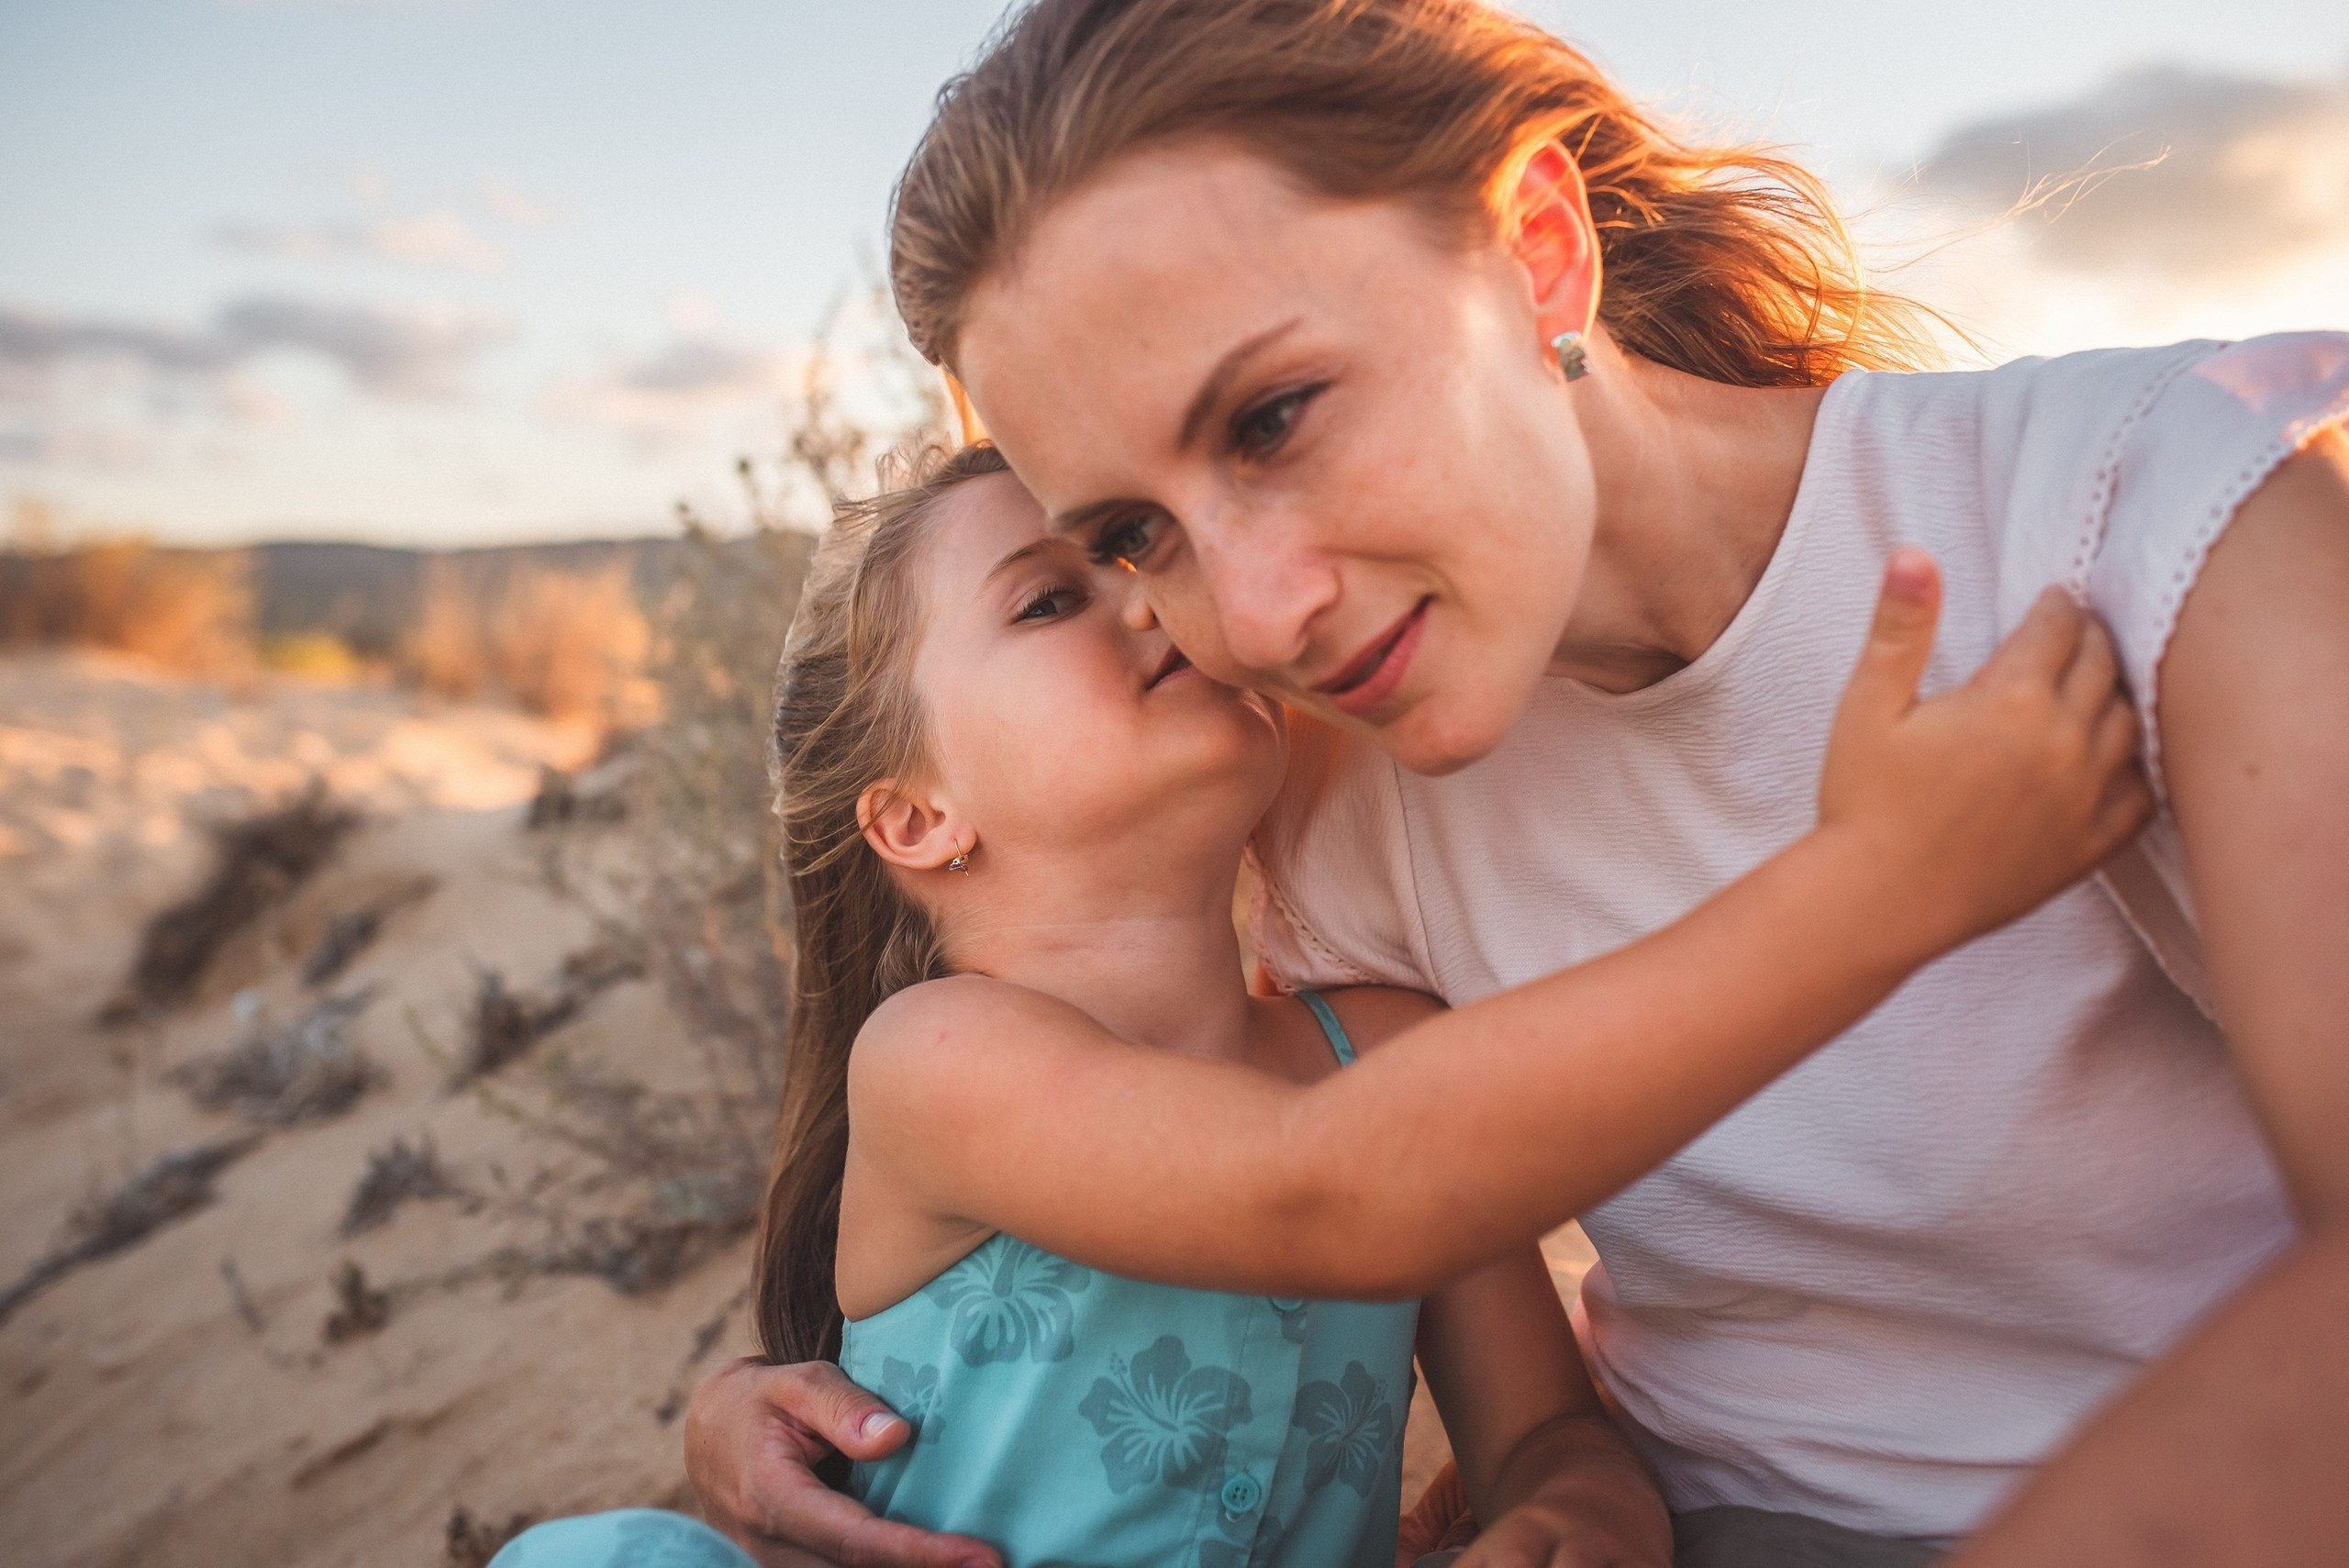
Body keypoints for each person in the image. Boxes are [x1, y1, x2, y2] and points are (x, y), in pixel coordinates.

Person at [689, 2, 2349, 1565]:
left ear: (1541, 255)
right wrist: (755, 1405)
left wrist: (1559, 1468)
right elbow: (1270, 1149)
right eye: (1128, 538)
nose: (1246, 617)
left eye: (1274, 418)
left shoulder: (2129, 522)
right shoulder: (1324, 783)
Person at [498, 438, 2136, 1568]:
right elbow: (1323, 1187)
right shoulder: (943, 1060)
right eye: (1050, 596)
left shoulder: (1389, 1047)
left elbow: (1542, 1435)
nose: (1150, 599)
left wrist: (1584, 1510)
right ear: (920, 818)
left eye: (1137, 553)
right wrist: (1873, 888)